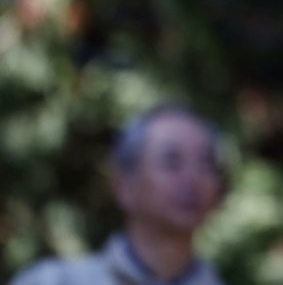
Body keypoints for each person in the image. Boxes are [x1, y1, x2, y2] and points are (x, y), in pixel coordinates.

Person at [10, 103, 228, 285]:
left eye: (205, 164)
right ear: (124, 185)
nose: (193, 179)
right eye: (172, 162)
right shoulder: (55, 281)